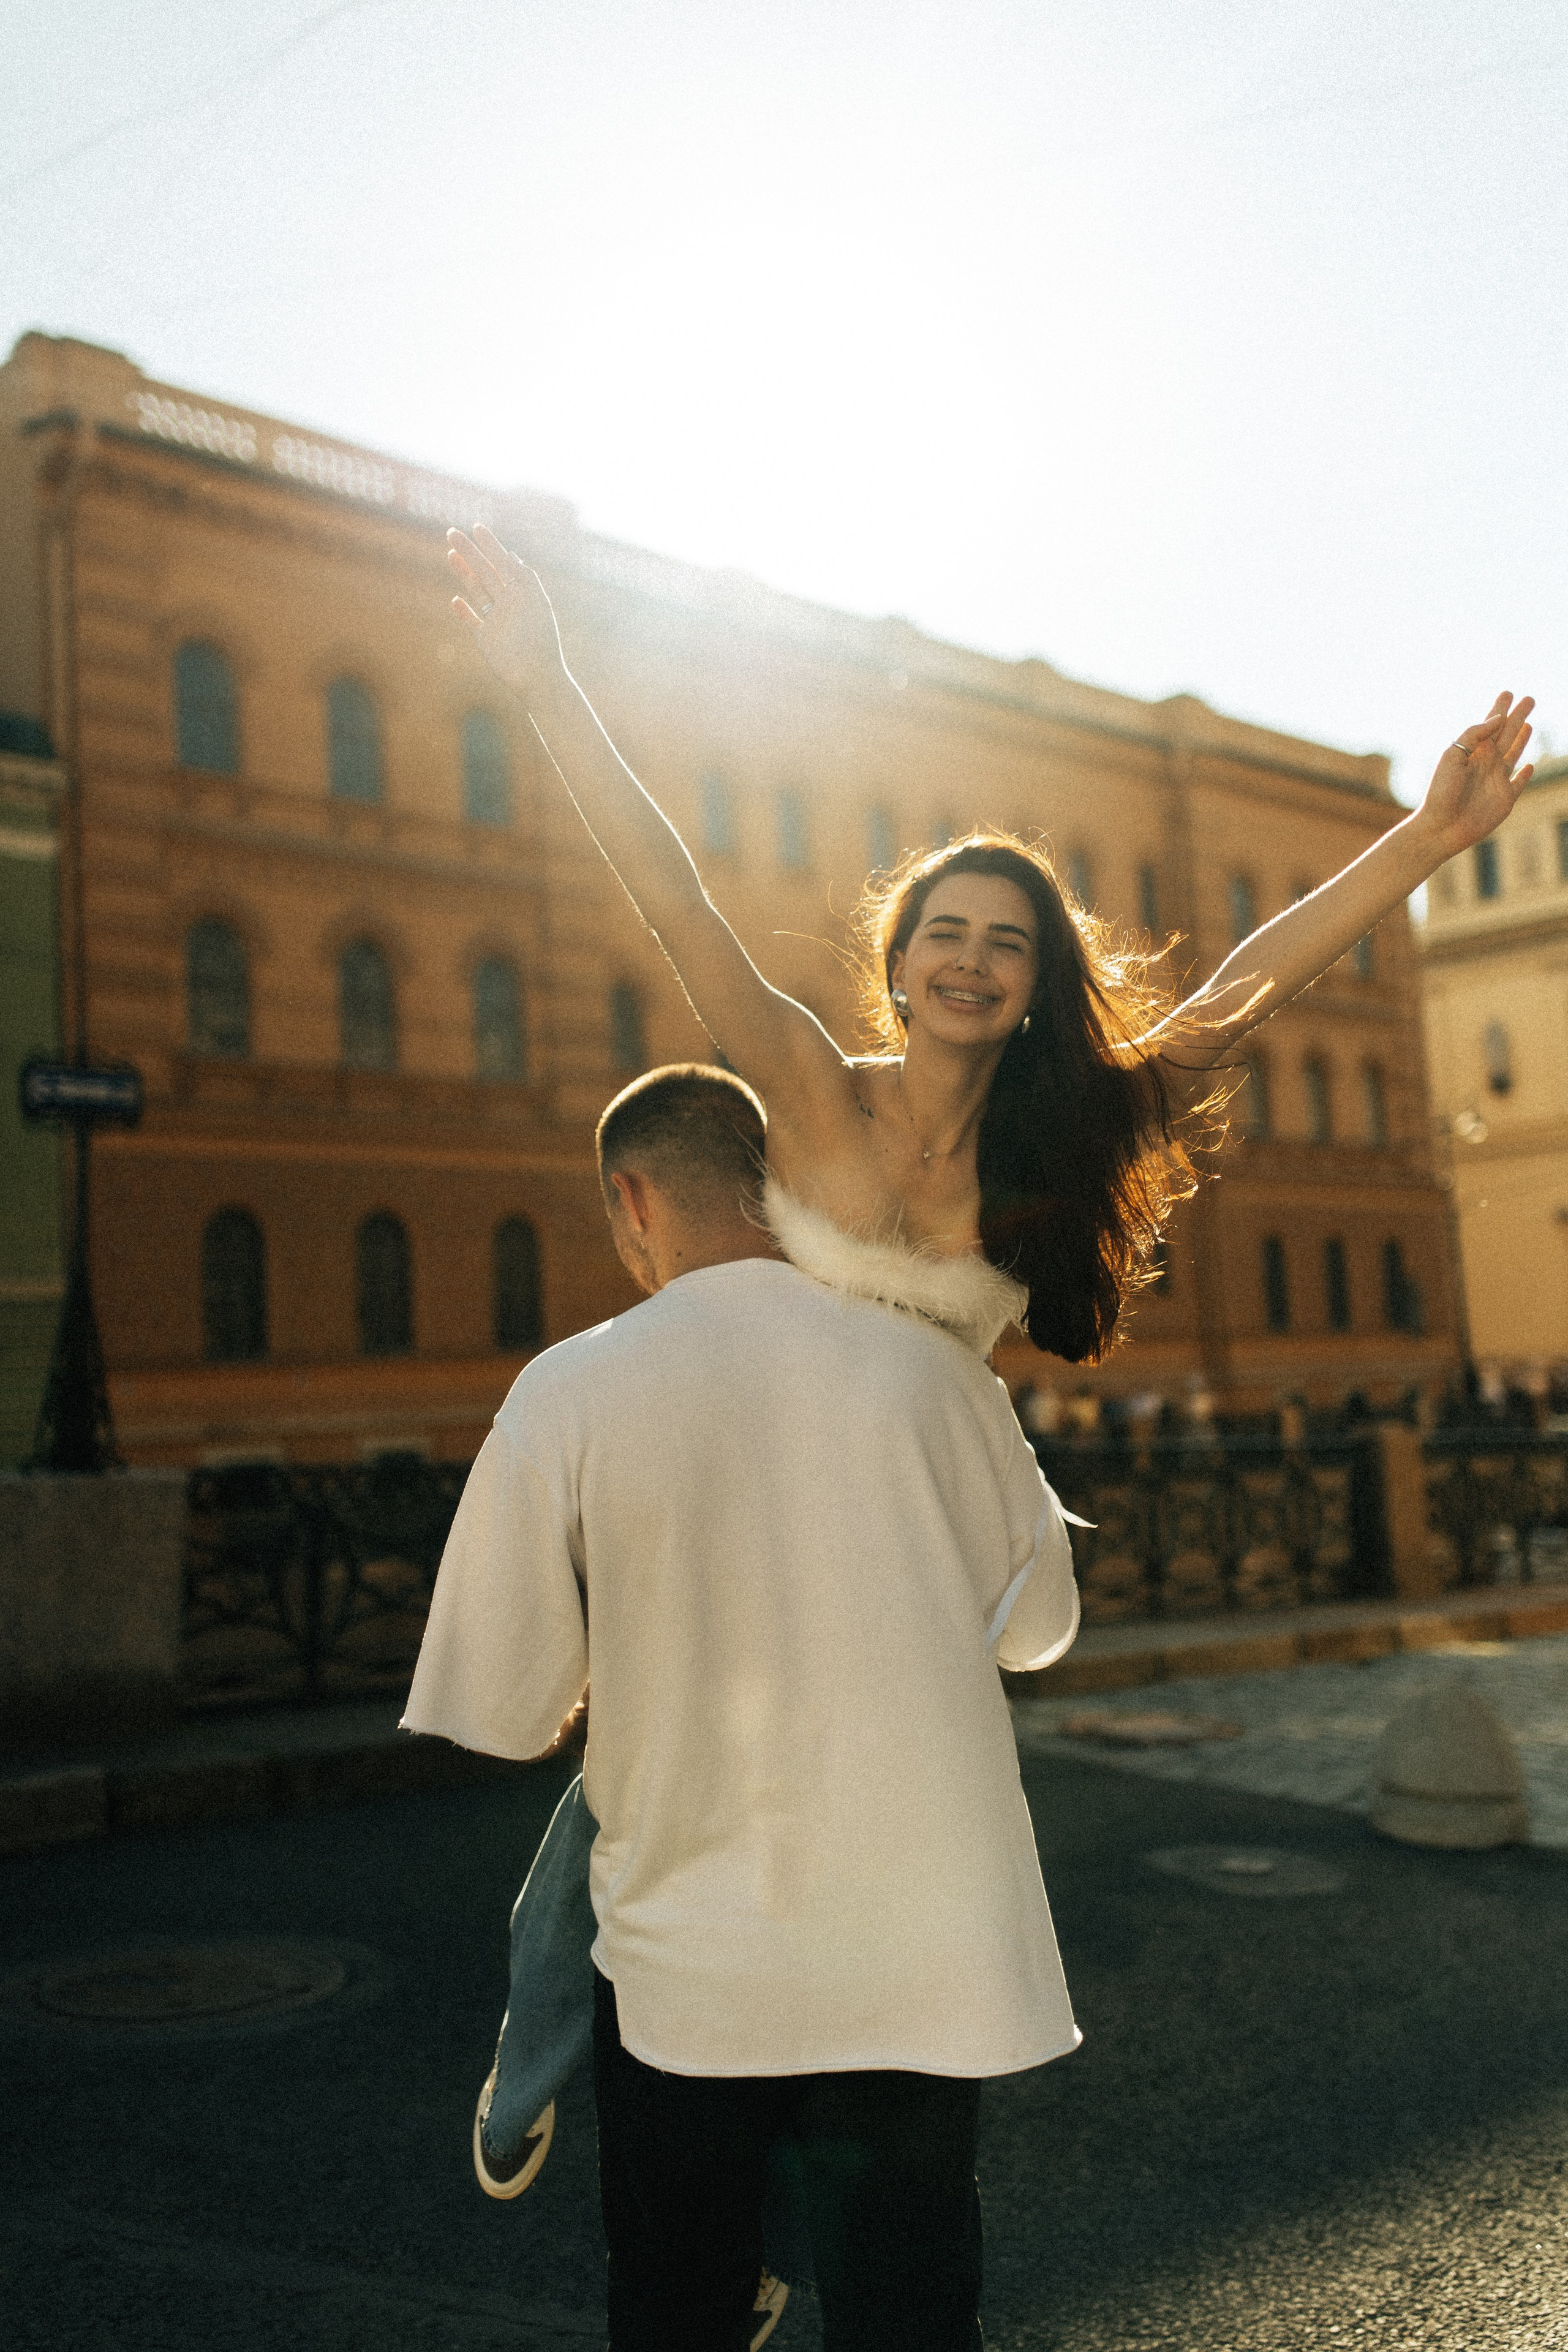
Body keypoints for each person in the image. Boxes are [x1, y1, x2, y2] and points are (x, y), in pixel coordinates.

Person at [445, 520, 1535, 1371]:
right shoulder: (816, 1092)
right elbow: (675, 899)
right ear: (903, 970)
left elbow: (1241, 990)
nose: (970, 959)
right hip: (778, 1488)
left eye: (1006, 945)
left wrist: (1431, 838)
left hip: (937, 1519)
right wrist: (548, 682)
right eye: (946, 935)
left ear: (1033, 988)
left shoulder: (1060, 1132)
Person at [404, 1063, 1081, 2351]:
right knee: (910, 2316)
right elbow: (1039, 1629)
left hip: (689, 1972)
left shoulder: (567, 1389)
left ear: (631, 1199)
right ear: (780, 1189)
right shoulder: (936, 1373)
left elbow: (503, 1708)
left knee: (679, 2312)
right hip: (919, 1957)